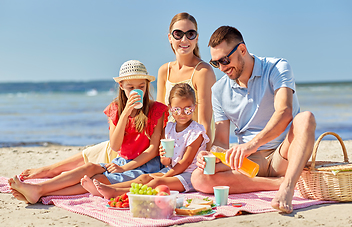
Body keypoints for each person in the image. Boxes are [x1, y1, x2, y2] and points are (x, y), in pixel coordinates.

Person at [190, 26, 316, 214]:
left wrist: (252, 145)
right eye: (216, 63)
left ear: (242, 50)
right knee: (198, 177)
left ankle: (287, 188)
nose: (222, 68)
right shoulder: (218, 90)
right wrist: (211, 155)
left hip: (283, 153)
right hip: (248, 163)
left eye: (225, 60)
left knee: (305, 118)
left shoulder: (277, 67)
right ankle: (277, 184)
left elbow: (285, 112)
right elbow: (221, 142)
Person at [8, 60, 169, 204]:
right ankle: (40, 188)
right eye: (131, 87)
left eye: (141, 86)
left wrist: (125, 169)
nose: (137, 90)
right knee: (90, 167)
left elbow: (152, 149)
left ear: (147, 84)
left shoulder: (157, 110)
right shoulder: (116, 109)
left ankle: (40, 192)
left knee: (98, 180)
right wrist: (125, 114)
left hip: (145, 166)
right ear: (121, 86)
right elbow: (114, 145)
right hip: (121, 161)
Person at [80, 83, 210, 198]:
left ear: (195, 107)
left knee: (157, 182)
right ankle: (113, 189)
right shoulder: (169, 128)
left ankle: (115, 192)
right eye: (177, 109)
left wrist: (165, 176)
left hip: (188, 175)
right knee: (145, 177)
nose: (182, 114)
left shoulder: (196, 132)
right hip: (171, 170)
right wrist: (164, 157)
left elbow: (185, 162)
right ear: (170, 108)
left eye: (187, 109)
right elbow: (166, 161)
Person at [157, 12, 216, 149]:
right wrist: (159, 148)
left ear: (196, 38)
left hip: (192, 148)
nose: (184, 40)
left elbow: (204, 122)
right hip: (169, 146)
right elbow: (159, 118)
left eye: (190, 34)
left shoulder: (203, 71)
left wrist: (203, 155)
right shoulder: (164, 71)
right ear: (170, 38)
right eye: (178, 34)